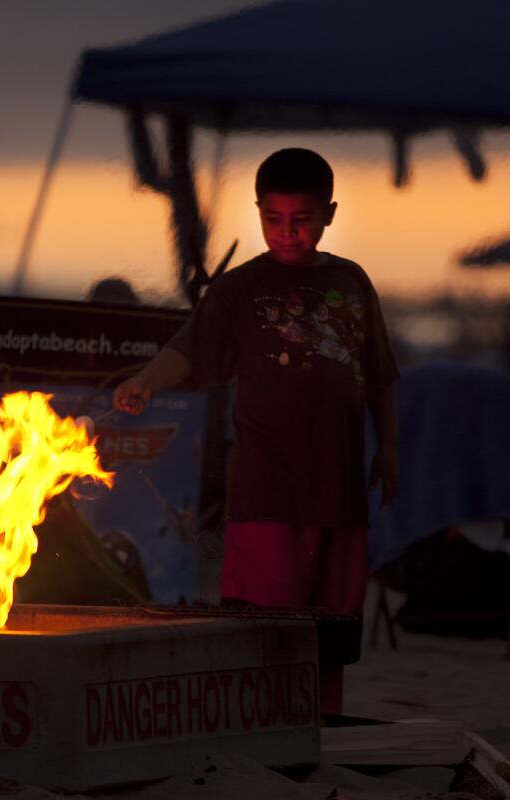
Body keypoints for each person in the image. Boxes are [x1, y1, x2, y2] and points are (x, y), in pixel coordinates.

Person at [113, 148, 399, 716]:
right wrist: (146, 380)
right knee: (264, 625)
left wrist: (389, 447)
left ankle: (324, 720)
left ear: (330, 214)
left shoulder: (352, 282)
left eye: (302, 220)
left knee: (332, 628)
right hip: (267, 493)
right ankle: (262, 723)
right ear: (258, 212)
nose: (288, 233)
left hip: (340, 495)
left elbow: (381, 376)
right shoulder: (240, 290)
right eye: (273, 219)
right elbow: (189, 350)